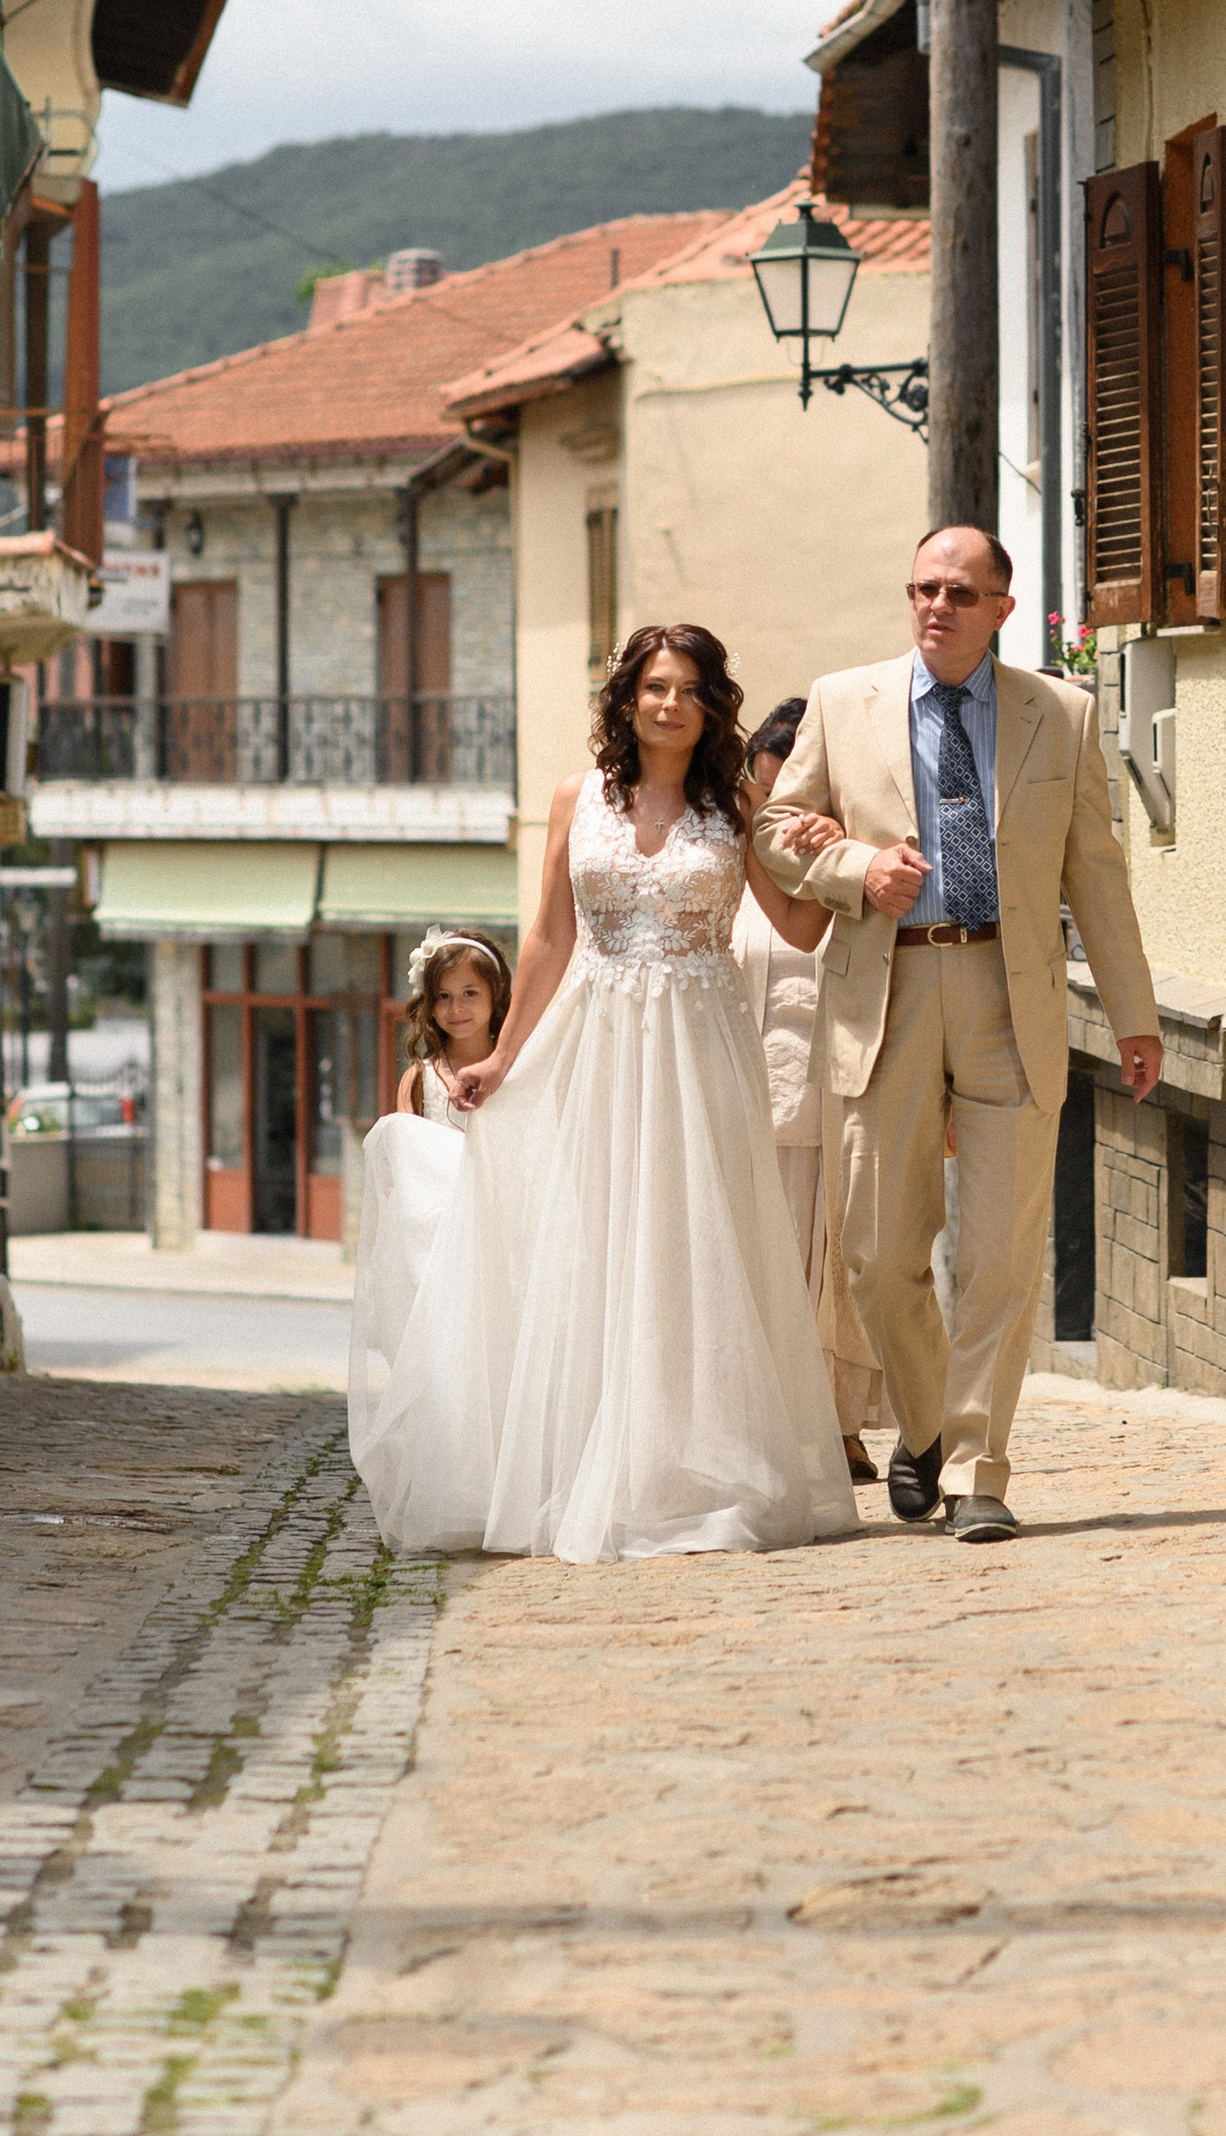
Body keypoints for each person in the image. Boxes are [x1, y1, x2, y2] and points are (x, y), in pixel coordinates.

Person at [352, 624, 857, 1565]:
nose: (670, 703)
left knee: (693, 1244)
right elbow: (545, 938)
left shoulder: (737, 804)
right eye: (655, 686)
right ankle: (587, 1460)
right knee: (595, 1239)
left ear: (711, 706)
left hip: (703, 1044)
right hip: (598, 1035)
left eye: (689, 689)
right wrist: (503, 1057)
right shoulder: (575, 798)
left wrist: (833, 853)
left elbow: (795, 921)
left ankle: (690, 1464)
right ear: (627, 697)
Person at [753, 524, 1162, 1546]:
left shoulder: (1058, 714)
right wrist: (854, 872)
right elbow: (773, 829)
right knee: (874, 1256)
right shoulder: (842, 703)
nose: (937, 605)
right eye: (923, 588)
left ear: (1001, 609)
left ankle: (980, 1469)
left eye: (960, 592)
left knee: (999, 1252)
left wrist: (1134, 1016)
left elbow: (1095, 872)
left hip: (1007, 991)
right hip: (884, 986)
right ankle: (927, 1424)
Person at [734, 697, 883, 1481]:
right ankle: (765, 1421)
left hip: (842, 1090)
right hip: (750, 1096)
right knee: (771, 1262)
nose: (776, 820)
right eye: (762, 797)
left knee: (840, 1268)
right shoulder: (732, 857)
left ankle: (841, 1423)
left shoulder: (853, 855)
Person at [346, 929, 507, 1471]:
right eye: (442, 995)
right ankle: (449, 1468)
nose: (456, 1008)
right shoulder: (420, 1081)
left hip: (500, 1238)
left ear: (496, 998)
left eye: (470, 993)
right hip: (433, 1248)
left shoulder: (516, 1071)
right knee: (443, 1364)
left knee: (497, 1357)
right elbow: (400, 1170)